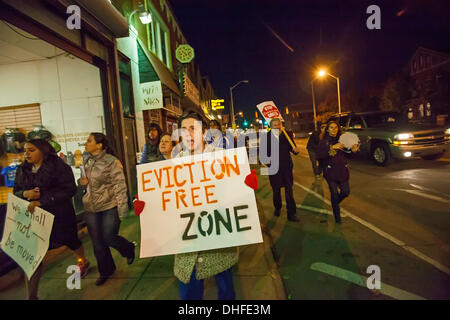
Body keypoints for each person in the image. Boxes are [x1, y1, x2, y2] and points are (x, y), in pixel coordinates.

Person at [13, 139, 89, 300]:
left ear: (44, 151)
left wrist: (43, 200)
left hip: (59, 216)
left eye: (31, 150)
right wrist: (26, 194)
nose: (27, 153)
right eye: (25, 150)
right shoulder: (23, 169)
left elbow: (69, 190)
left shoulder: (59, 167)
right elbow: (16, 192)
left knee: (71, 242)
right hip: (34, 221)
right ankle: (31, 296)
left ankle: (83, 260)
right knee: (33, 256)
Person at [174, 110, 237, 300]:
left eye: (193, 128)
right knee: (189, 291)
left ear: (204, 132)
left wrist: (246, 184)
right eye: (184, 129)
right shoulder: (174, 163)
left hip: (217, 233)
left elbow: (235, 191)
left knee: (225, 286)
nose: (188, 133)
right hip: (188, 237)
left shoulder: (222, 156)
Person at [80, 133, 135, 286]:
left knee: (109, 237)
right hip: (90, 206)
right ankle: (106, 270)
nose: (86, 143)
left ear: (99, 145)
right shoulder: (86, 160)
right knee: (97, 242)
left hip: (109, 205)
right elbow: (84, 181)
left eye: (89, 140)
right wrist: (82, 182)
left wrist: (123, 208)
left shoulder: (112, 162)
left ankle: (128, 248)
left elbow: (120, 186)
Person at [316, 121, 359, 224]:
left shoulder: (343, 139)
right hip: (330, 171)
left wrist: (354, 150)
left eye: (335, 127)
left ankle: (334, 203)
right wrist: (332, 147)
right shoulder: (324, 141)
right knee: (334, 193)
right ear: (327, 129)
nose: (334, 129)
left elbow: (349, 154)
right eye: (331, 127)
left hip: (342, 170)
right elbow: (320, 155)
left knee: (345, 192)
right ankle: (337, 217)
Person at [261, 118, 301, 222]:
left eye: (279, 124)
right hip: (274, 170)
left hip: (286, 168)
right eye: (275, 125)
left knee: (289, 191)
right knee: (276, 191)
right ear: (271, 126)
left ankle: (291, 213)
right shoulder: (266, 137)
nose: (277, 127)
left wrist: (296, 151)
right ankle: (277, 208)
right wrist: (267, 161)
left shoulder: (286, 135)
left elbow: (293, 149)